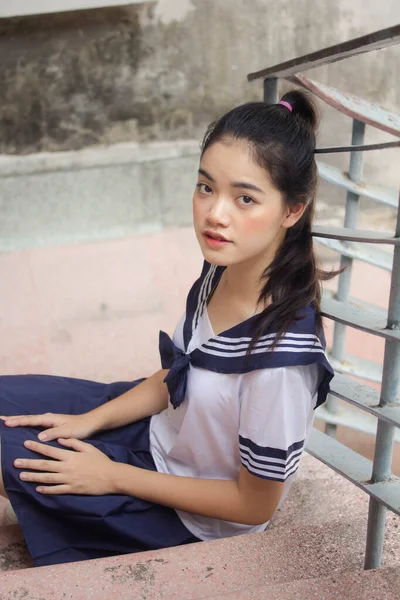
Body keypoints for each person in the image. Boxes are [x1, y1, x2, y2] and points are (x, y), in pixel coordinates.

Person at [0, 89, 335, 567]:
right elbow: (178, 373)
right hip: (157, 432)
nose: (216, 214)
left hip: (186, 514)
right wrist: (89, 422)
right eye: (206, 187)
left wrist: (112, 475)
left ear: (292, 210)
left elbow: (255, 504)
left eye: (245, 198)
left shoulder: (281, 361)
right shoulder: (221, 270)